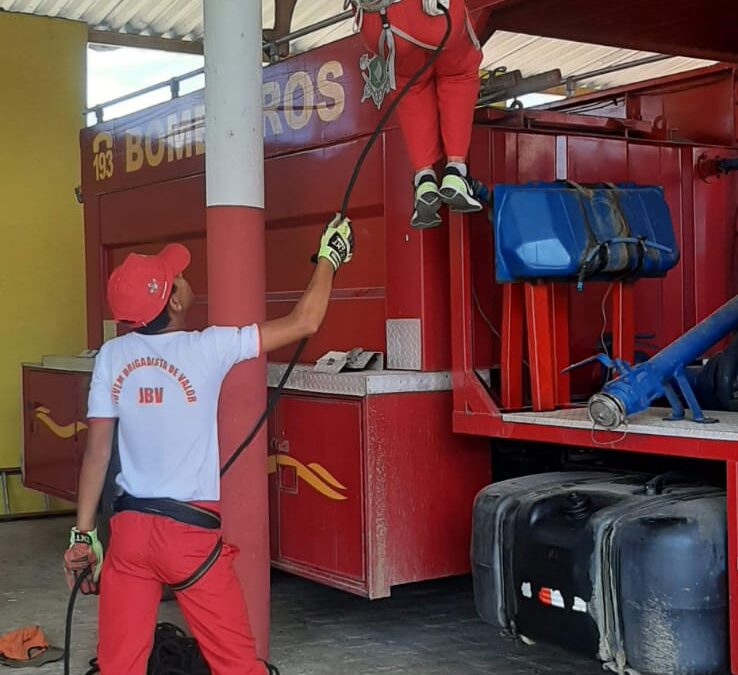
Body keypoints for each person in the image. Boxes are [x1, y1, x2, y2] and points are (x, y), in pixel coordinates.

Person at [62, 216, 354, 675]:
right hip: (189, 536)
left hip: (130, 533)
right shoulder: (207, 348)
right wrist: (329, 258)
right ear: (174, 300)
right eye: (177, 276)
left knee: (120, 667)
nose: (183, 277)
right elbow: (305, 321)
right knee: (238, 666)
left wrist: (83, 535)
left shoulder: (111, 357)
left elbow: (97, 454)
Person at [351, 0, 484, 228]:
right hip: (430, 11)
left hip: (379, 25)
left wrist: (282, 29)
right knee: (458, 75)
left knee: (410, 88)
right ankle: (455, 171)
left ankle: (424, 179)